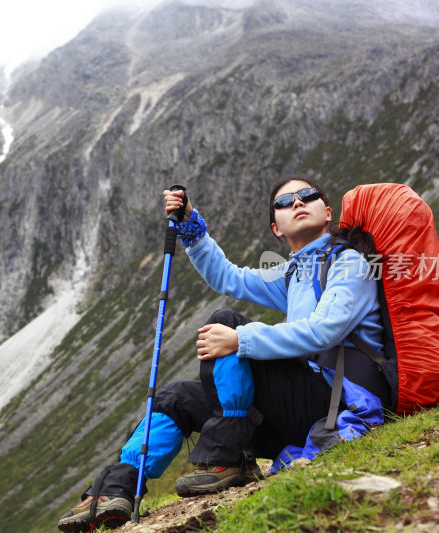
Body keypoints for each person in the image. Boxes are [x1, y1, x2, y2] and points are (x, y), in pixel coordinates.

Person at [57, 174, 389, 533]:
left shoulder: (348, 262)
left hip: (341, 408)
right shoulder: (295, 274)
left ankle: (229, 456)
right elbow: (229, 278)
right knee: (175, 398)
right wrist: (189, 224)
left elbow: (325, 330)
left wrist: (240, 339)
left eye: (307, 195)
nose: (297, 202)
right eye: (284, 201)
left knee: (226, 322)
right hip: (303, 411)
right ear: (276, 229)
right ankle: (116, 488)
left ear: (327, 212)